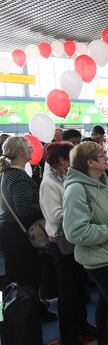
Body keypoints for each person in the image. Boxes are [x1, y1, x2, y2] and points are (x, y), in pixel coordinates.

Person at [63, 141, 108, 345]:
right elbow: (75, 232)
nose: (106, 157)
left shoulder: (105, 180)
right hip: (99, 259)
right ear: (90, 162)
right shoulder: (76, 189)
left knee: (107, 303)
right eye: (102, 154)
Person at [39, 141, 96, 345]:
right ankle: (68, 335)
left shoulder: (66, 177)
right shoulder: (49, 183)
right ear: (62, 160)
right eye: (70, 158)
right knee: (68, 291)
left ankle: (81, 324)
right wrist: (81, 213)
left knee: (81, 288)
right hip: (61, 243)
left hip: (76, 239)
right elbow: (55, 217)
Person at [0, 137, 50, 344]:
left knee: (19, 279)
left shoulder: (7, 174)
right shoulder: (18, 177)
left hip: (11, 233)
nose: (33, 149)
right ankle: (27, 317)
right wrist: (46, 204)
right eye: (29, 147)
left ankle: (23, 315)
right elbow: (25, 210)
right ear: (20, 151)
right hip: (19, 235)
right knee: (26, 279)